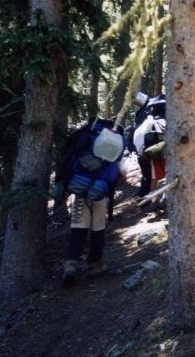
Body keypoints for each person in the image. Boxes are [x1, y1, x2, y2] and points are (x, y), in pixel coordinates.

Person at [56, 118, 124, 287]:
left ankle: (71, 266)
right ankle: (94, 264)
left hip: (79, 187)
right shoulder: (115, 142)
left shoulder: (86, 136)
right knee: (97, 226)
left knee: (78, 226)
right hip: (100, 190)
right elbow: (122, 171)